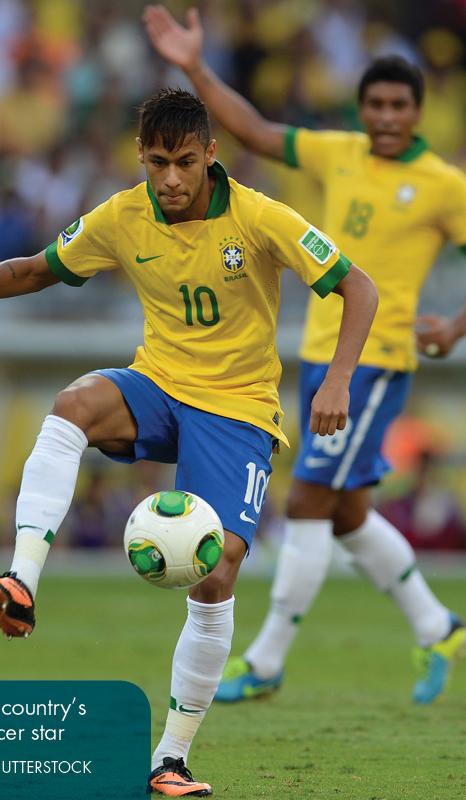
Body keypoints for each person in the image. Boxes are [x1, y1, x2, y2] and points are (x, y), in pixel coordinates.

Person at [0, 88, 377, 797]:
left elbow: (359, 287)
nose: (171, 179)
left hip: (237, 411)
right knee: (72, 405)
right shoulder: (125, 215)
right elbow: (39, 268)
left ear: (210, 155)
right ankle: (22, 583)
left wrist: (337, 379)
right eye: (157, 162)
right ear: (141, 156)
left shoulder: (259, 217)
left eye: (185, 161)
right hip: (158, 384)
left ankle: (171, 760)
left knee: (216, 578)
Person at [142, 5, 466, 707]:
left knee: (310, 500)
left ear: (418, 111)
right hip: (321, 356)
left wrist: (458, 326)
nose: (385, 116)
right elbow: (256, 131)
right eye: (375, 104)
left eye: (399, 105)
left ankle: (265, 660)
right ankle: (438, 626)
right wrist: (194, 66)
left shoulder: (444, 184)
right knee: (345, 511)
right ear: (361, 108)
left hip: (374, 364)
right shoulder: (338, 152)